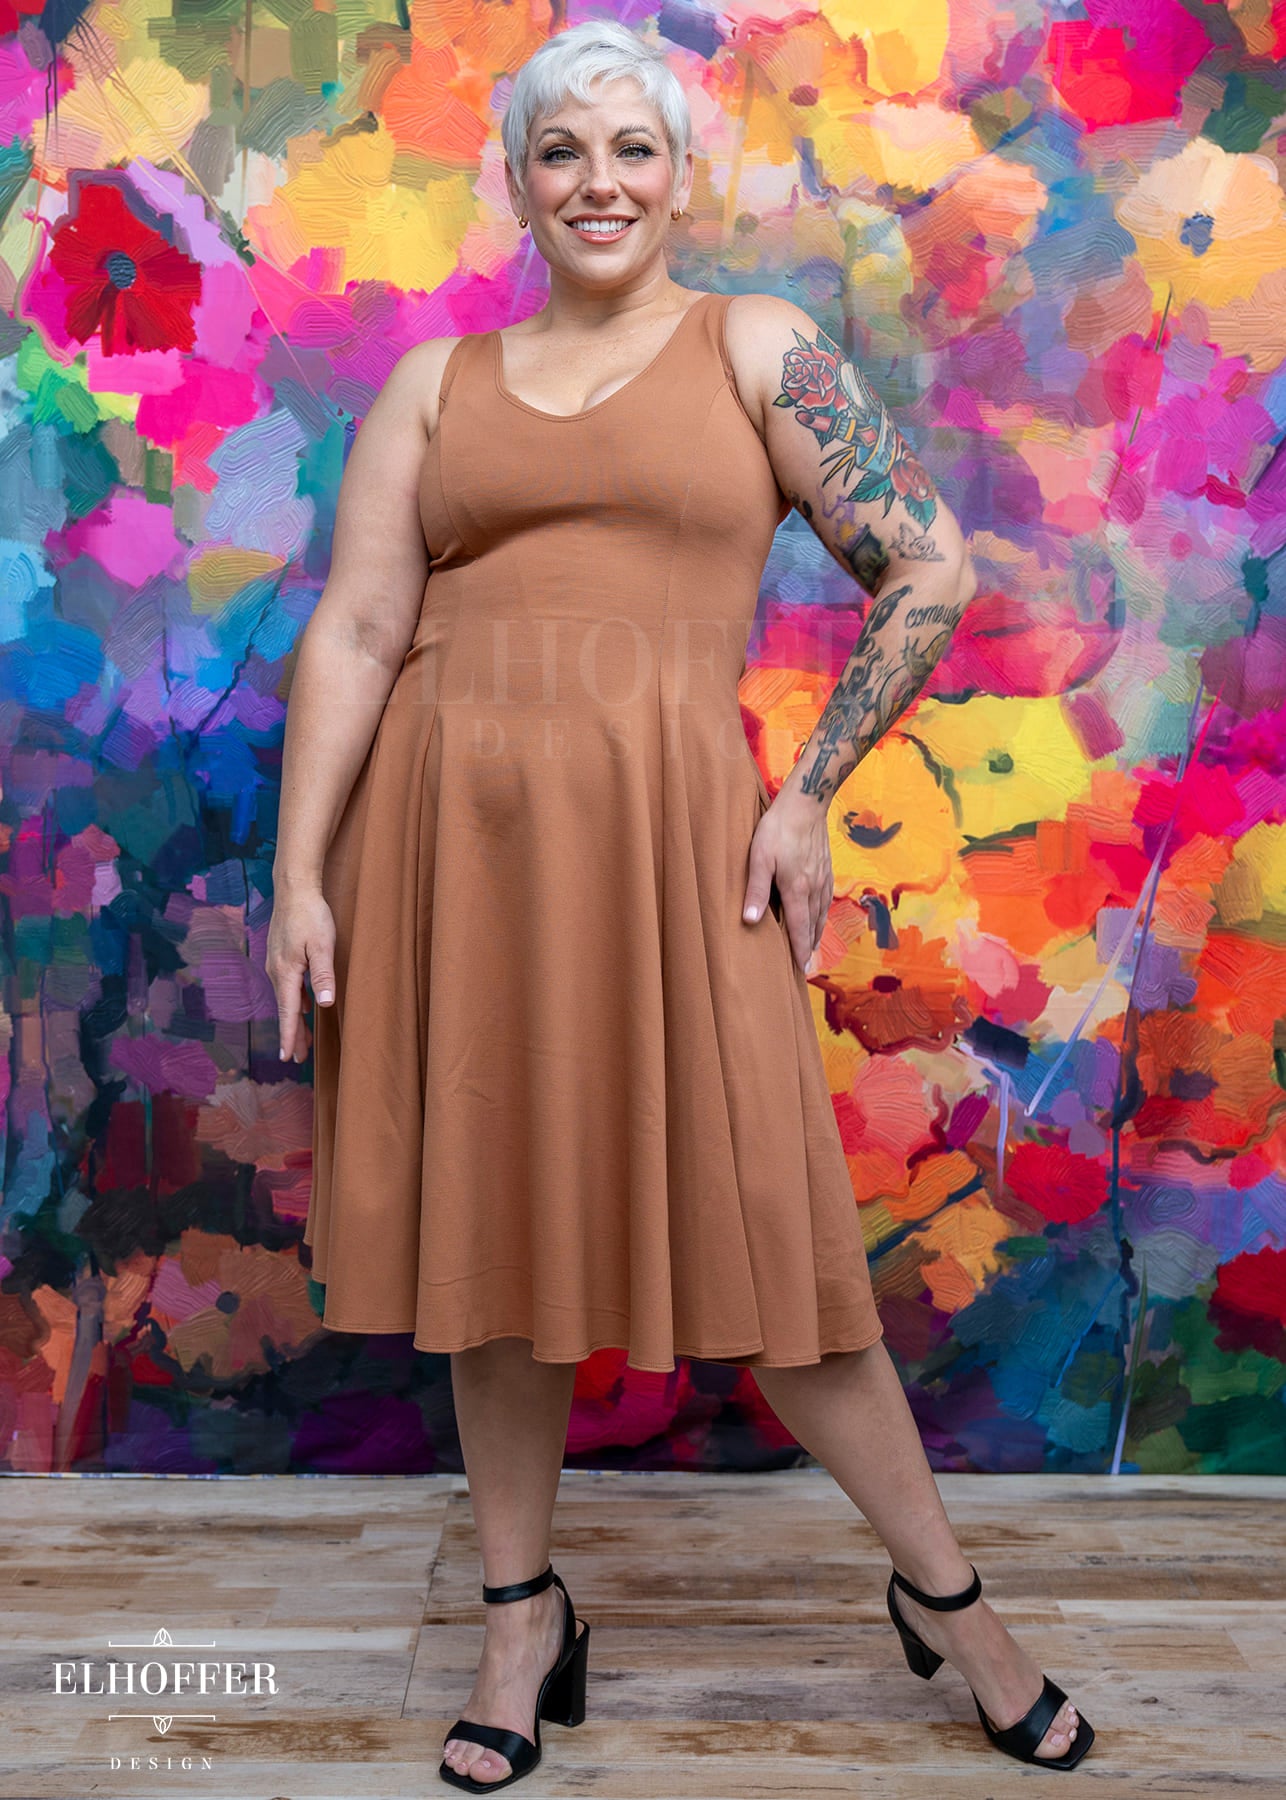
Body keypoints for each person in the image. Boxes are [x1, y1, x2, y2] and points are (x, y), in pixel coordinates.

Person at [267, 19, 1094, 1793]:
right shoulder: (433, 386)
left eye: (631, 149)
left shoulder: (753, 347)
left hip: (673, 850)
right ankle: (520, 1617)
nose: (598, 183)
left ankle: (950, 1602)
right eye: (561, 151)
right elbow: (356, 628)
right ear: (514, 180)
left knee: (770, 1242)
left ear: (678, 175)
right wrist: (296, 876)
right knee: (489, 1241)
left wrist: (805, 795)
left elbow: (924, 562)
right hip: (445, 850)